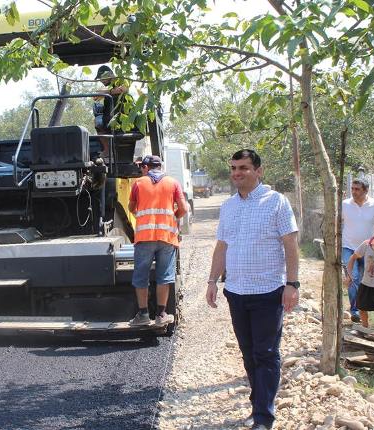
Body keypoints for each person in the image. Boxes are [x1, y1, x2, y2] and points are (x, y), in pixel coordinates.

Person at [205, 149, 299, 430]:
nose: (237, 173)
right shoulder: (229, 206)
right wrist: (212, 280)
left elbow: (291, 245)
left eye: (243, 168)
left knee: (266, 352)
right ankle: (258, 403)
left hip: (269, 291)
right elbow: (222, 246)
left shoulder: (276, 202)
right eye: (234, 168)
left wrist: (292, 284)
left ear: (258, 171)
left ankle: (263, 417)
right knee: (248, 353)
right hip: (236, 291)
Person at [128, 155, 187, 326]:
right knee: (164, 276)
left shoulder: (138, 183)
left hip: (144, 238)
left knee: (141, 276)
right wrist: (172, 219)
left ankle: (143, 314)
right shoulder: (173, 183)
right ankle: (161, 315)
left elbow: (131, 207)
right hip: (166, 237)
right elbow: (183, 209)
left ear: (146, 167)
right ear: (160, 166)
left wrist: (142, 216)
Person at [342, 178, 374, 323]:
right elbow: (336, 223)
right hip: (348, 247)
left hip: (369, 250)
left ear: (366, 190)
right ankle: (355, 311)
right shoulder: (345, 204)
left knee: (368, 280)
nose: (353, 192)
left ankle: (367, 307)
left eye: (357, 189)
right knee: (353, 278)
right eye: (352, 188)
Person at [346, 220, 374, 328]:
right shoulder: (366, 245)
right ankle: (365, 331)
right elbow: (352, 258)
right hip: (366, 284)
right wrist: (349, 275)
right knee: (361, 310)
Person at [93, 65, 128, 157]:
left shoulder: (121, 81)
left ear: (109, 75)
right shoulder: (109, 88)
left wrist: (106, 92)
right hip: (110, 116)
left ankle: (107, 151)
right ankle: (107, 150)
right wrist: (99, 94)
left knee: (98, 122)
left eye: (102, 78)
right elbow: (96, 97)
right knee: (97, 116)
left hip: (121, 117)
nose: (101, 80)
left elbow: (124, 89)